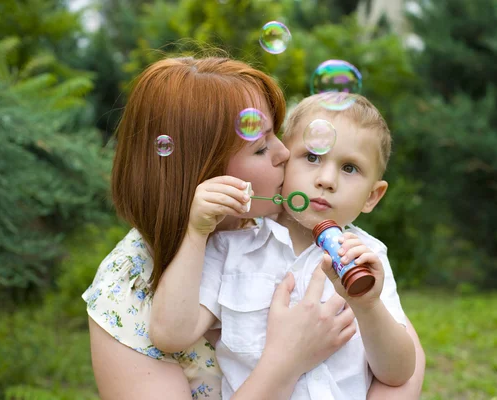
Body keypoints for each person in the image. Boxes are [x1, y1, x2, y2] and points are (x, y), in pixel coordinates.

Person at [83, 55, 425, 400]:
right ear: (207, 170)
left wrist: (369, 307)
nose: (326, 179)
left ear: (374, 195)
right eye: (262, 147)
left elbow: (400, 371)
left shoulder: (365, 257)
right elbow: (171, 333)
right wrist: (196, 233)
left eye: (349, 168)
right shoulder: (229, 247)